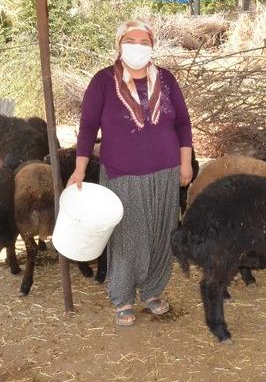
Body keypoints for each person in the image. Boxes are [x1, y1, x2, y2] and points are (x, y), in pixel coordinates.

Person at [69, 18, 193, 326]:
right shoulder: (102, 81)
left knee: (160, 234)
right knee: (126, 237)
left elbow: (183, 124)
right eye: (131, 41)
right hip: (121, 173)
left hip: (165, 172)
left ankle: (153, 290)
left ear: (152, 47)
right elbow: (87, 128)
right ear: (119, 45)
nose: (137, 48)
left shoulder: (166, 79)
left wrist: (186, 162)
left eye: (144, 42)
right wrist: (80, 169)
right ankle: (122, 297)